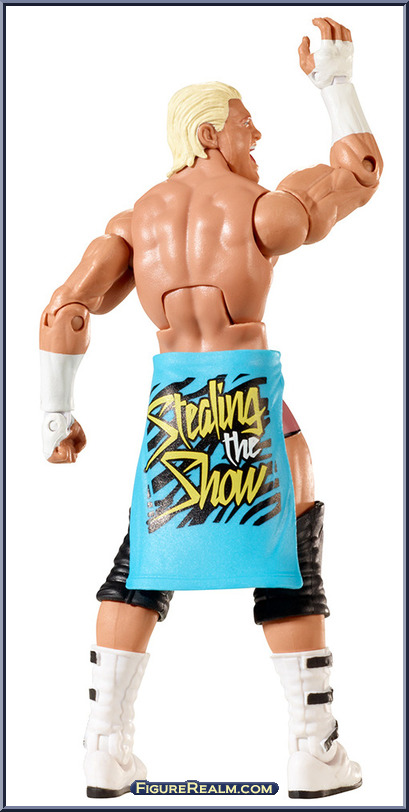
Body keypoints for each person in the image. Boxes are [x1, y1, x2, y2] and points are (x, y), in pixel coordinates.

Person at [39, 17, 382, 800]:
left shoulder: (134, 222)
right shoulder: (262, 208)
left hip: (176, 413)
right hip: (250, 404)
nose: (255, 136)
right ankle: (313, 750)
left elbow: (65, 308)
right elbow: (358, 175)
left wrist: (56, 417)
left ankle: (103, 749)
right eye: (244, 124)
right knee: (291, 555)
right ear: (207, 134)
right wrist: (333, 81)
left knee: (141, 564)